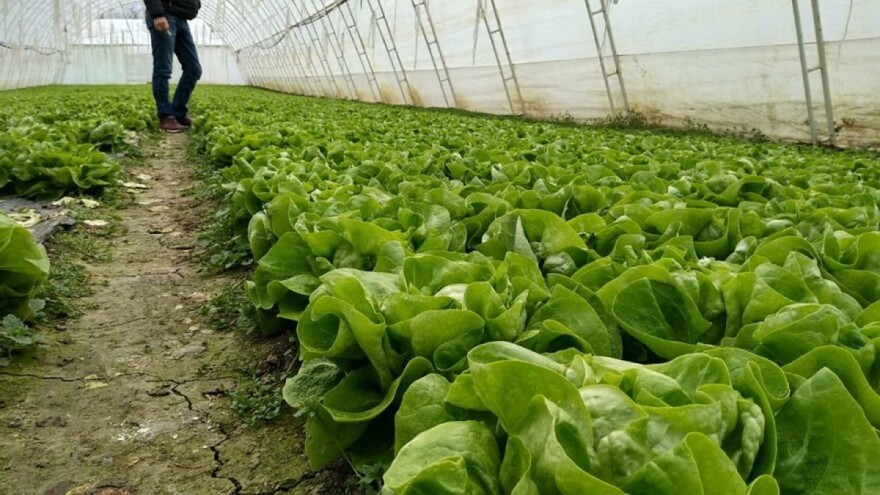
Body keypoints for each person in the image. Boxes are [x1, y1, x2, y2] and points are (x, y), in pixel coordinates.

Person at [143, 0, 203, 133]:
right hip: (165, 14)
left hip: (182, 19)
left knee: (194, 70)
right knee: (163, 69)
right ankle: (166, 116)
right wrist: (157, 14)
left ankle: (178, 113)